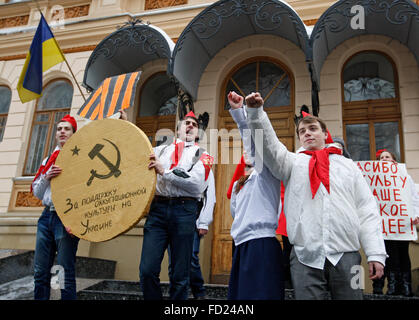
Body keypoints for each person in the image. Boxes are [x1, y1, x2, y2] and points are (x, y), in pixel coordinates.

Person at [243, 91, 387, 300]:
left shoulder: (348, 166)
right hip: (304, 257)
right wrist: (256, 114)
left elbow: (367, 209)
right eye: (302, 131)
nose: (307, 133)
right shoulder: (291, 163)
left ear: (324, 133)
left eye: (313, 129)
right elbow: (270, 147)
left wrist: (375, 253)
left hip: (347, 256)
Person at [139, 111, 213, 300]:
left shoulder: (204, 155)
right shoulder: (160, 150)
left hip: (185, 212)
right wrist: (124, 126)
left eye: (194, 125)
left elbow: (196, 183)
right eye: (185, 123)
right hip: (158, 211)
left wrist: (165, 171)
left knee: (180, 275)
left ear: (197, 133)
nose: (189, 126)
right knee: (147, 270)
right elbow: (136, 156)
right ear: (178, 129)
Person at [227, 91, 285, 300]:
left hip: (261, 245)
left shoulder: (267, 174)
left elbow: (254, 141)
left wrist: (242, 114)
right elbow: (236, 213)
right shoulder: (240, 185)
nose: (247, 153)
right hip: (241, 246)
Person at [31, 115, 79, 300]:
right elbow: (37, 192)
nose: (62, 132)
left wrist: (75, 218)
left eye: (67, 129)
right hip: (46, 218)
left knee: (64, 273)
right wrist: (47, 176)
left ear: (73, 134)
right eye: (59, 129)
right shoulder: (47, 160)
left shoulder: (80, 158)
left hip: (66, 217)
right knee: (40, 272)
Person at [375, 149, 419, 297]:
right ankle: (392, 286)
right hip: (385, 226)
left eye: (387, 157)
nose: (384, 159)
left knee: (403, 254)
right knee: (390, 254)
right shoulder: (375, 178)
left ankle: (406, 286)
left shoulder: (404, 176)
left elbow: (414, 196)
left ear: (394, 159)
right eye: (381, 158)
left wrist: (416, 215)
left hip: (403, 224)